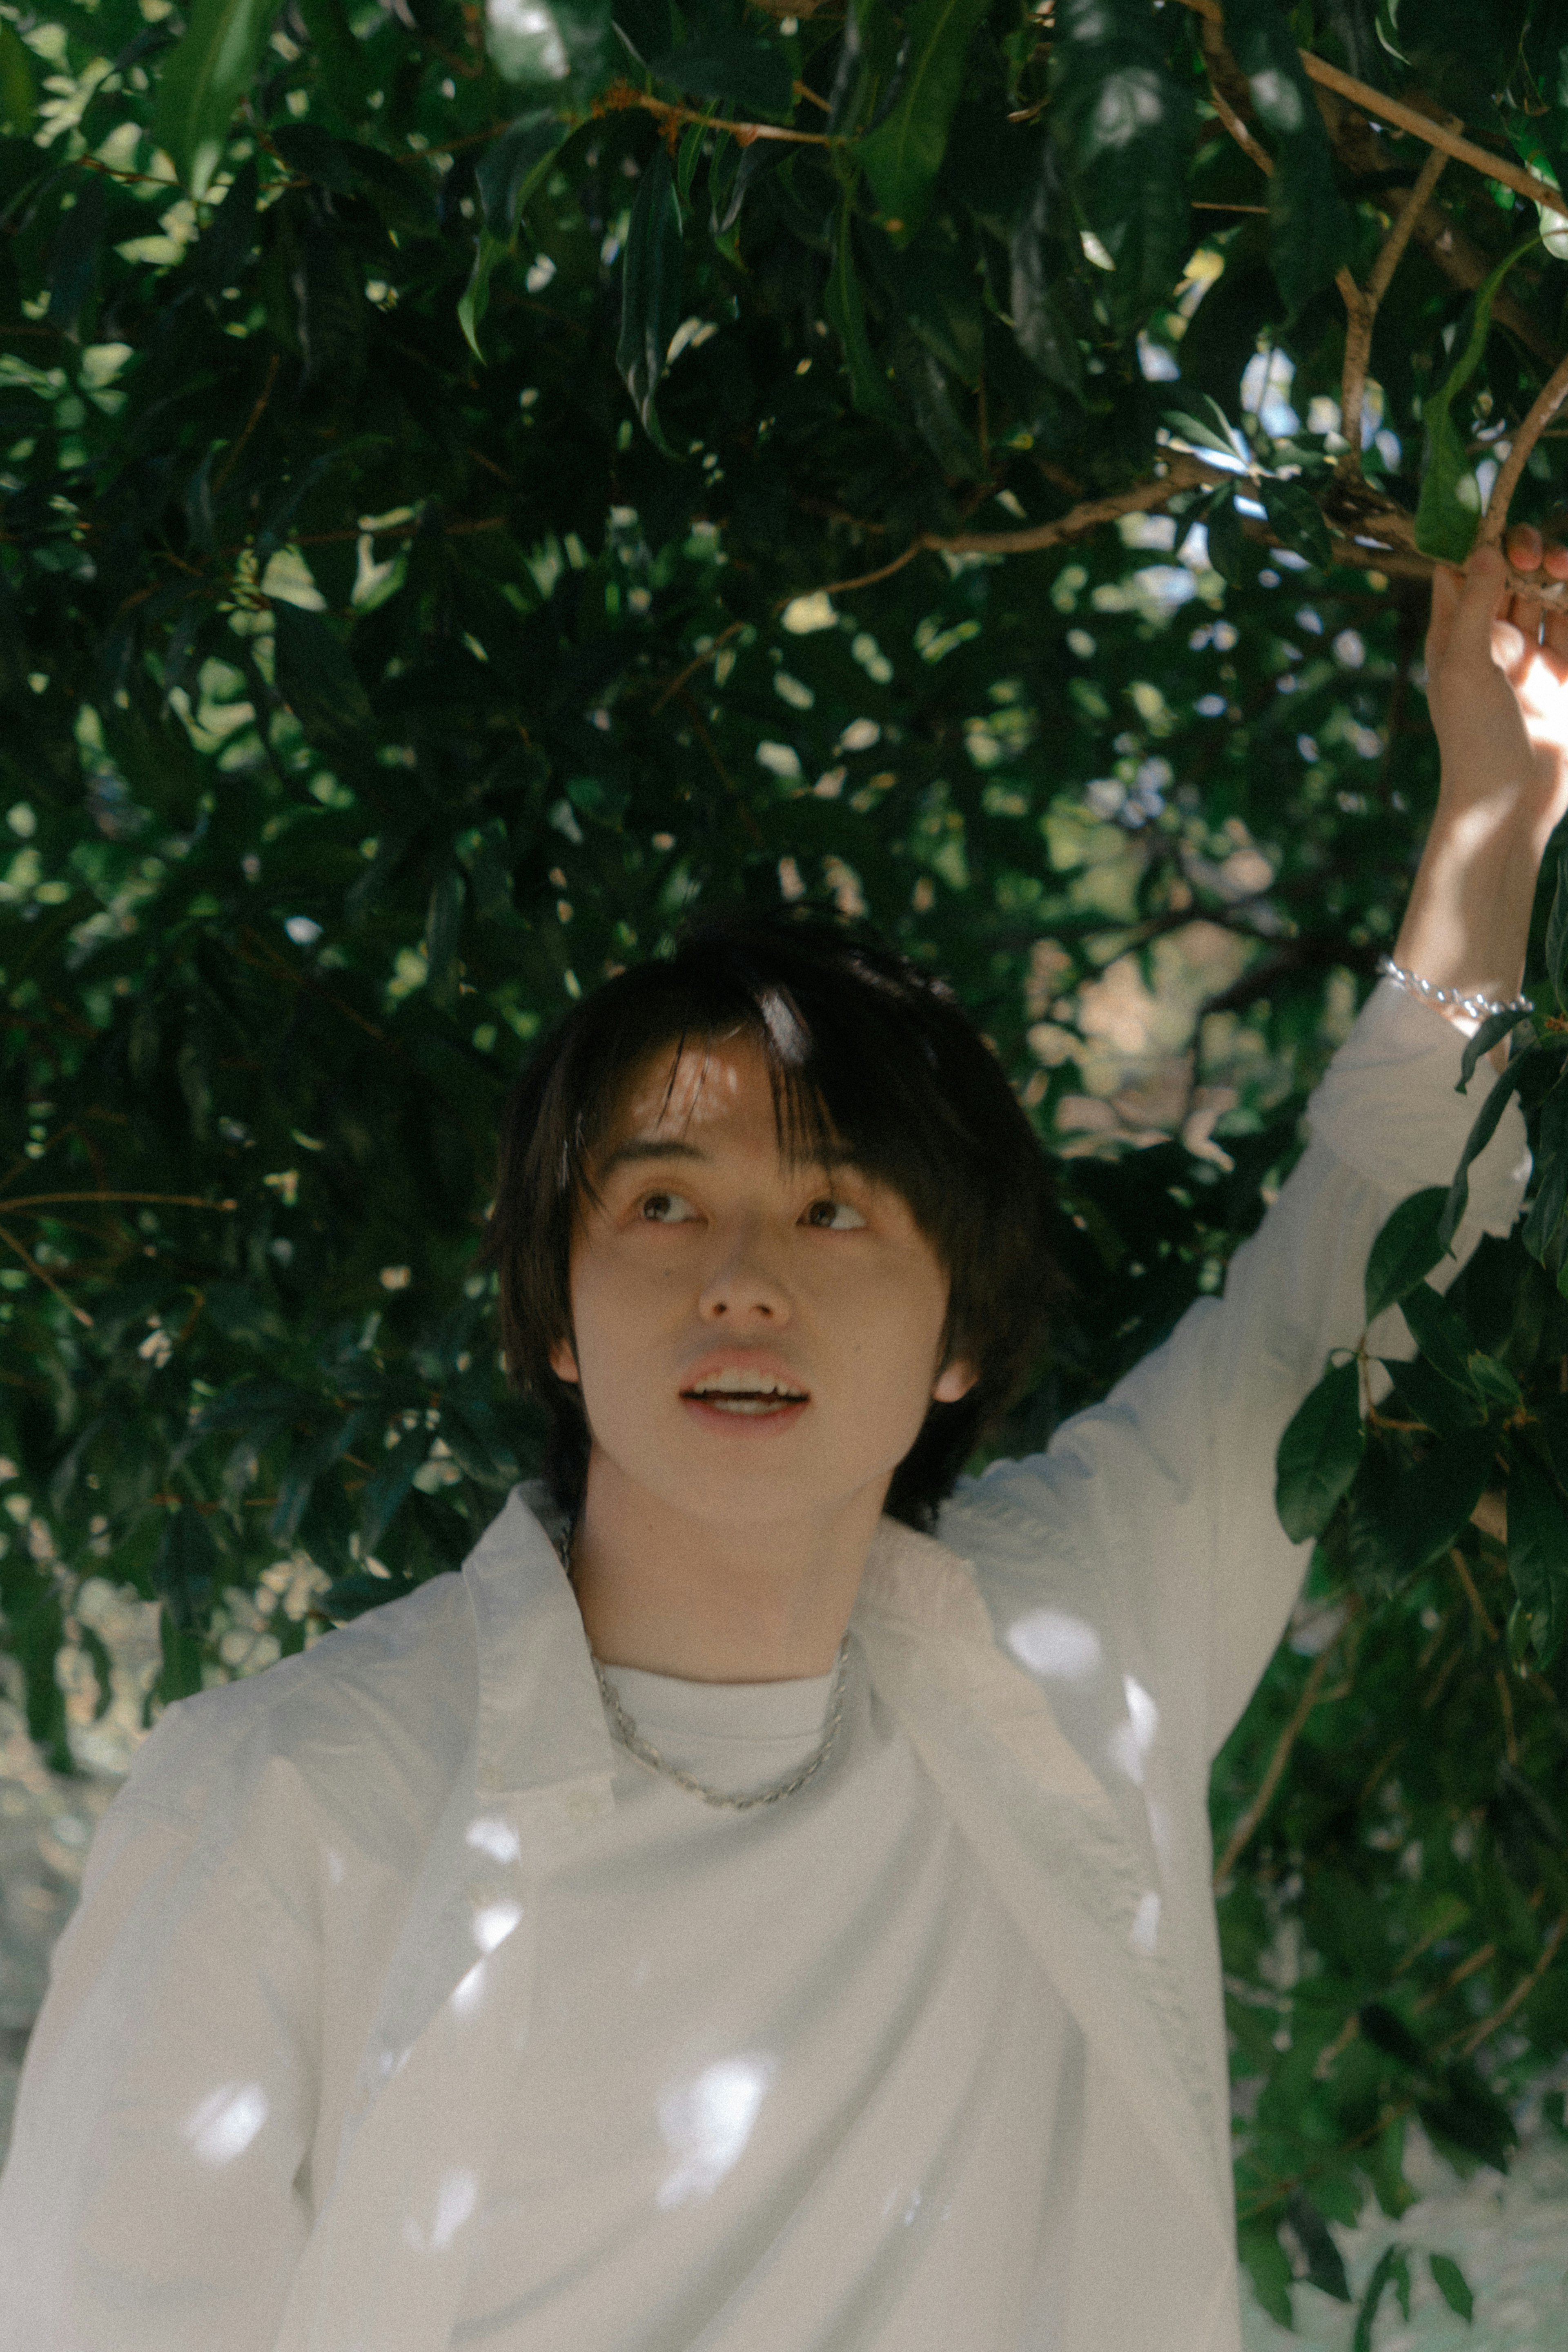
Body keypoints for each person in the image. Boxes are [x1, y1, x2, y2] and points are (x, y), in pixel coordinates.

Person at [0, 539, 1563, 2352]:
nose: (745, 1280)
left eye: (835, 1215)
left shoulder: (1078, 1635)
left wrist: (1496, 812)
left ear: (964, 1333)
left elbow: (1351, 1267)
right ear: (554, 1321)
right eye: (665, 1206)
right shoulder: (291, 1799)